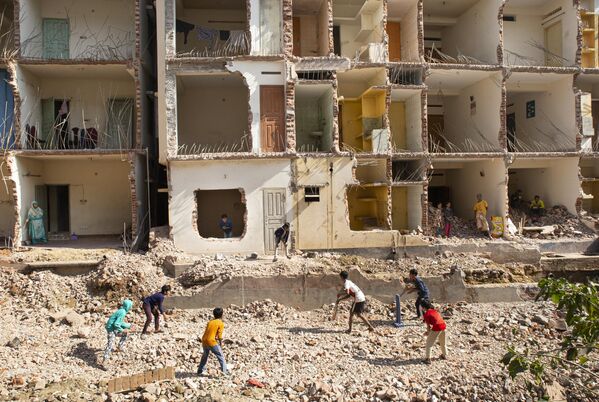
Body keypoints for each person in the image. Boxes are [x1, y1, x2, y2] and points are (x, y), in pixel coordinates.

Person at [197, 307, 228, 376]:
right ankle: (225, 372)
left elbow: (209, 331)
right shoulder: (220, 323)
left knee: (205, 355)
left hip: (204, 340)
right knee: (220, 356)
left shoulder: (210, 322)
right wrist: (220, 344)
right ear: (222, 315)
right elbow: (220, 335)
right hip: (211, 341)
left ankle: (200, 370)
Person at [103, 299, 133, 365]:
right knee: (110, 344)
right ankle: (105, 361)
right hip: (111, 329)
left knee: (125, 334)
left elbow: (120, 322)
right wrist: (122, 330)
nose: (130, 308)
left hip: (113, 328)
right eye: (130, 306)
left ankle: (120, 347)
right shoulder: (122, 312)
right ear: (128, 306)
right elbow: (116, 324)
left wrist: (128, 325)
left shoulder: (122, 310)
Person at [421, 299, 447, 364]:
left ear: (423, 307)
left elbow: (428, 326)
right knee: (442, 342)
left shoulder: (427, 314)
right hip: (443, 326)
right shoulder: (435, 311)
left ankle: (428, 359)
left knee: (429, 343)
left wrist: (428, 332)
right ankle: (445, 355)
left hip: (437, 327)